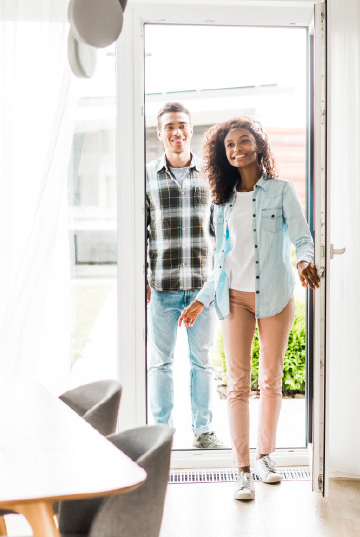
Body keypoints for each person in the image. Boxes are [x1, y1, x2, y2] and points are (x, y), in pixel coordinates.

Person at [179, 117, 320, 499]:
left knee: (271, 379)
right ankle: (242, 469)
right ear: (223, 155)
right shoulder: (222, 202)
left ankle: (266, 457)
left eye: (243, 141)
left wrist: (304, 261)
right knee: (238, 384)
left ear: (258, 146)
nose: (236, 148)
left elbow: (302, 238)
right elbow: (221, 261)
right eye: (229, 145)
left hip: (276, 295)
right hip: (234, 298)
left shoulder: (281, 191)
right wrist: (200, 299)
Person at [146, 102, 223, 449]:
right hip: (161, 286)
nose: (177, 132)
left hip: (201, 289)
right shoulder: (146, 176)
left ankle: (204, 430)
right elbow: (139, 230)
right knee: (160, 363)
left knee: (202, 363)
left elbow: (222, 235)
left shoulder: (211, 175)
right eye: (170, 127)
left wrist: (216, 283)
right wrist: (140, 280)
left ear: (191, 130)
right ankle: (161, 432)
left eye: (182, 125)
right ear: (160, 132)